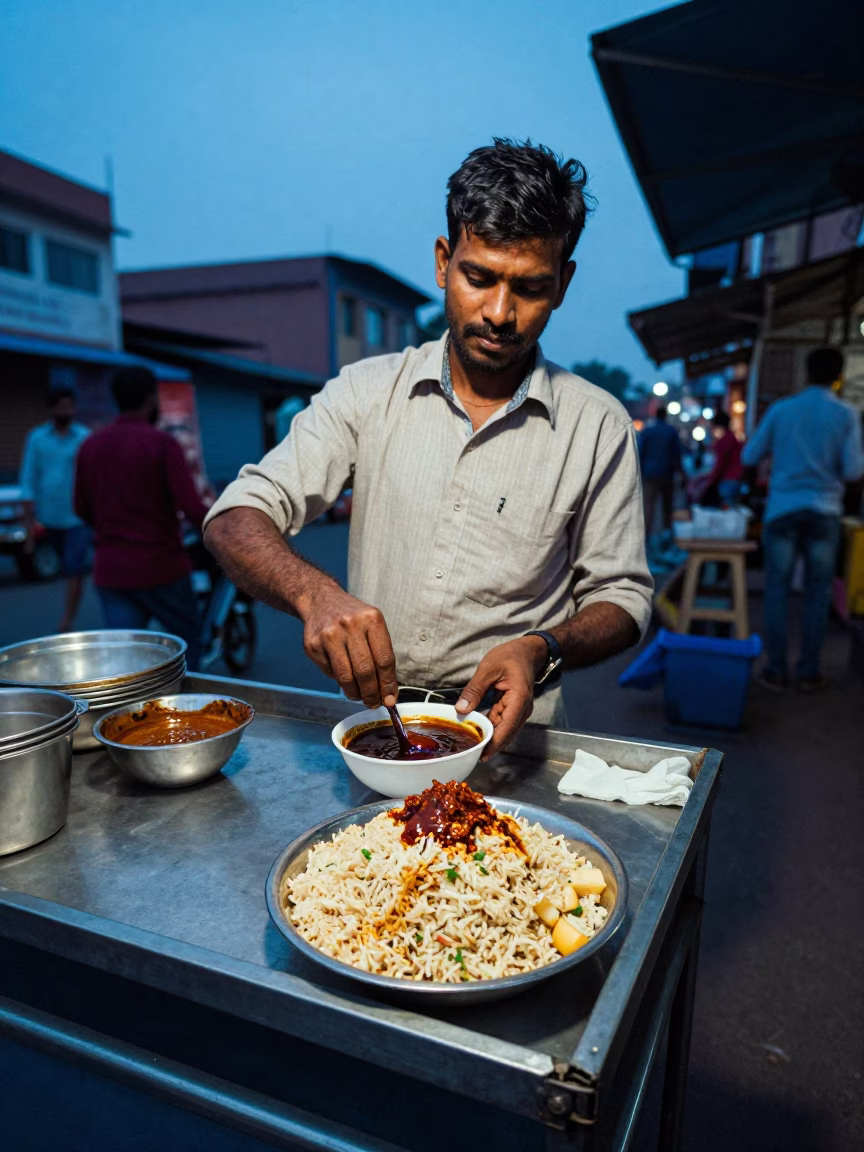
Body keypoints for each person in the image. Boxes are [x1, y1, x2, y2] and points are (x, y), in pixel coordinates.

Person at [204, 139, 653, 756]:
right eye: (479, 277)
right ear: (444, 264)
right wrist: (316, 595)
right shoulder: (366, 392)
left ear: (563, 285)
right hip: (374, 728)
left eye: (529, 287)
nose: (500, 312)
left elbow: (623, 598)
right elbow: (233, 520)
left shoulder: (598, 424)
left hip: (515, 737)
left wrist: (541, 649)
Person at [742, 347, 864, 692]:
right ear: (838, 376)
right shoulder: (846, 414)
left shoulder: (783, 409)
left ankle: (776, 670)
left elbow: (750, 454)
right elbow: (855, 469)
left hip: (782, 509)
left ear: (806, 373)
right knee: (817, 593)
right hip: (825, 511)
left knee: (777, 591)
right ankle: (808, 672)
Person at [75, 367, 209, 668]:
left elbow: (81, 508)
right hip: (161, 568)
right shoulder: (162, 444)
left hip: (111, 569)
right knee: (187, 654)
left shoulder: (91, 446)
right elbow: (192, 507)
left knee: (127, 663)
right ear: (151, 399)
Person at [19, 384, 91, 631]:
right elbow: (28, 477)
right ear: (52, 409)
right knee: (63, 567)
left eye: (70, 406)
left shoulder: (84, 437)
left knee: (74, 568)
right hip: (49, 517)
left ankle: (67, 619)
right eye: (62, 406)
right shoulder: (37, 438)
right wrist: (29, 513)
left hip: (77, 517)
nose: (67, 411)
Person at [638, 406, 683, 543]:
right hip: (666, 473)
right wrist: (682, 473)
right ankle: (667, 535)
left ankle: (645, 537)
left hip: (649, 473)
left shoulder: (648, 431)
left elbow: (640, 452)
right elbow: (676, 455)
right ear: (665, 416)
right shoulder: (671, 431)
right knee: (667, 506)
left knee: (648, 506)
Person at [690, 409, 744, 506]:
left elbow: (720, 465)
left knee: (726, 513)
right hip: (735, 479)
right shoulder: (732, 438)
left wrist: (709, 481)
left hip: (728, 481)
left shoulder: (725, 441)